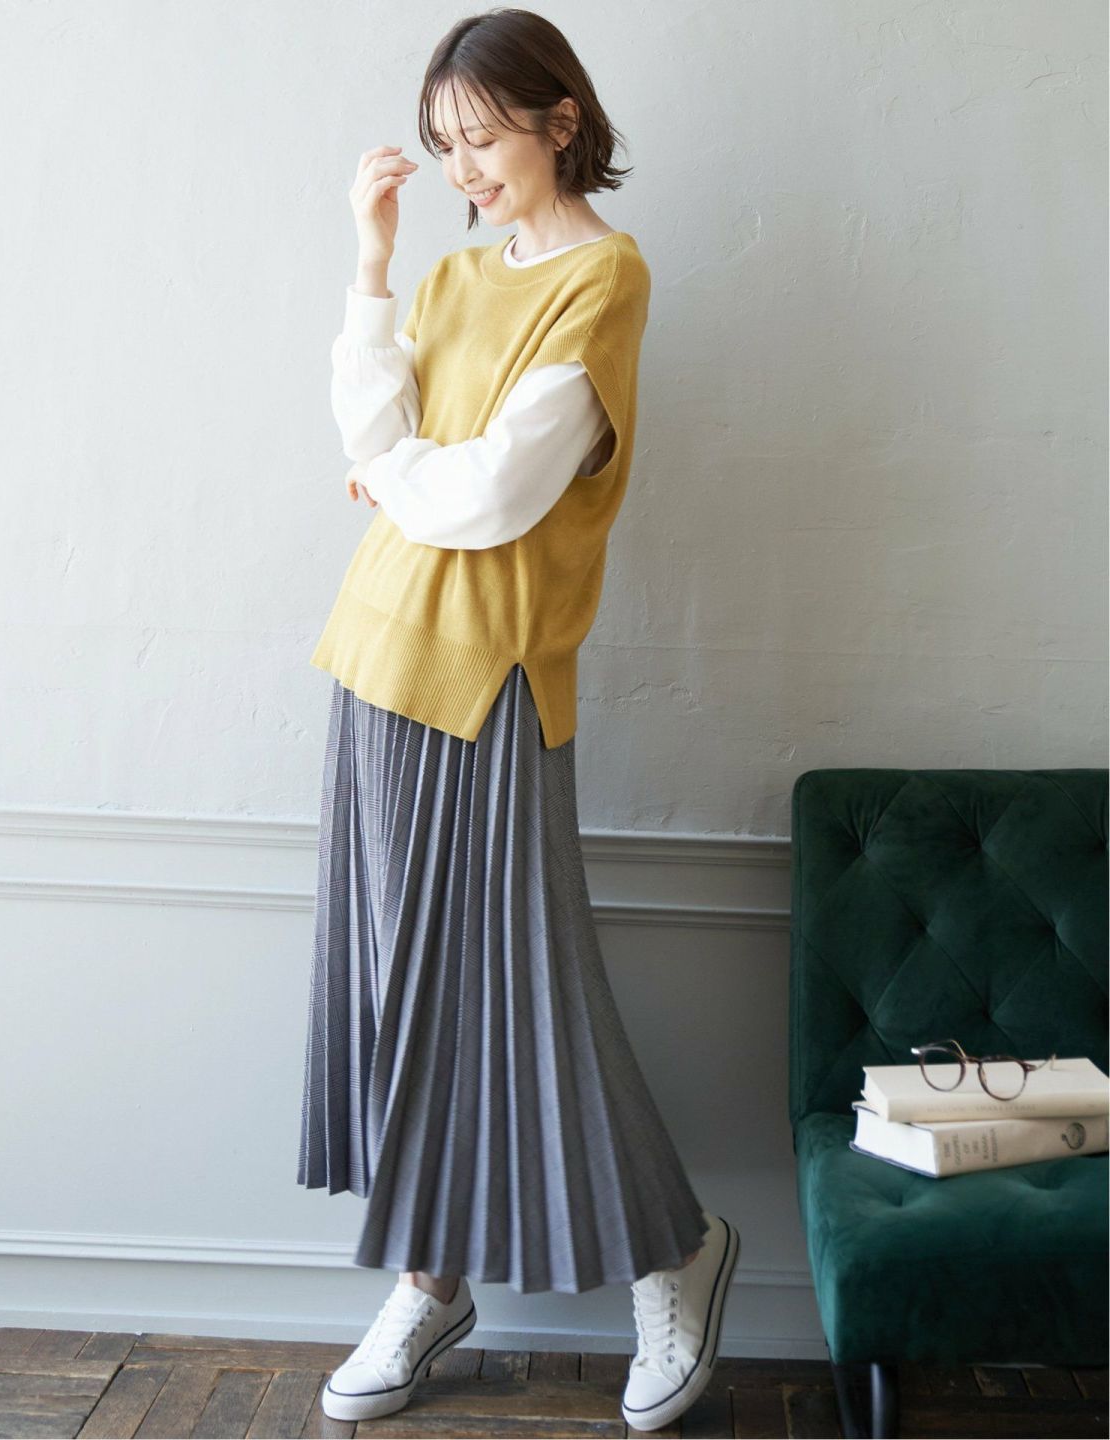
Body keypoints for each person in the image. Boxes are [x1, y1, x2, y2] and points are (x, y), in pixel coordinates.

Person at [295, 9, 740, 1431]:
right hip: (374, 654)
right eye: (444, 145)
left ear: (561, 120)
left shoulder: (606, 278)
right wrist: (371, 263)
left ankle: (676, 1250)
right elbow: (371, 430)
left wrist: (398, 475)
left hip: (489, 676)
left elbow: (494, 495)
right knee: (400, 993)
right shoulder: (445, 274)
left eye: (482, 137)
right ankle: (431, 1281)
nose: (463, 169)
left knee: (522, 995)